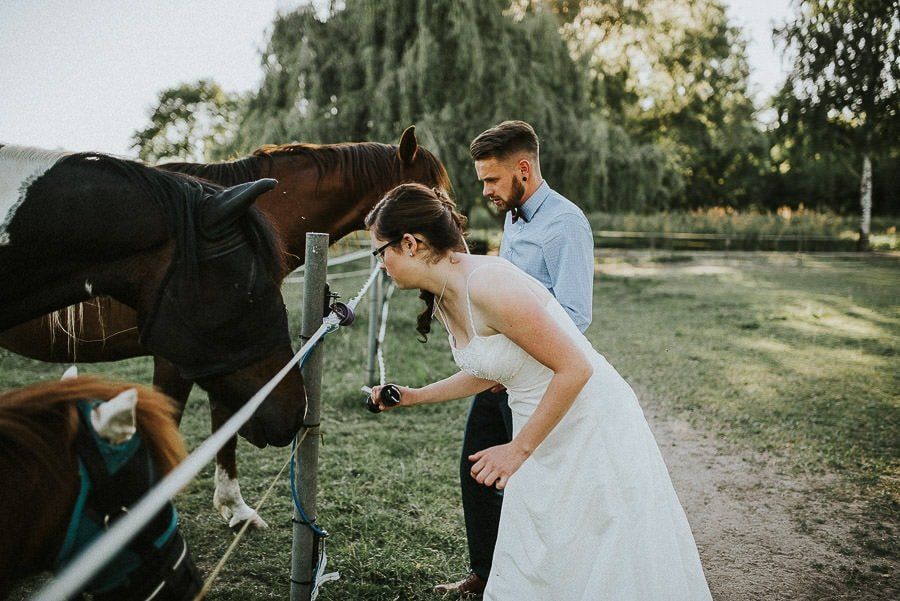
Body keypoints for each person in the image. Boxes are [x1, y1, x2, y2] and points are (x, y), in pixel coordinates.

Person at [365, 183, 712, 600]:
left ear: (409, 243)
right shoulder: (444, 296)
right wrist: (414, 395)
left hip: (586, 419)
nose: (380, 264)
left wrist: (517, 450)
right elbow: (491, 369)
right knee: (543, 548)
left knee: (598, 550)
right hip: (539, 421)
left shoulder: (488, 284)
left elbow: (575, 367)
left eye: (380, 252)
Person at [441, 120, 595, 597]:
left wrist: (515, 364)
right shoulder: (512, 216)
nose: (485, 190)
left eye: (491, 179)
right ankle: (485, 575)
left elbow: (575, 315)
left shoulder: (566, 224)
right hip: (498, 375)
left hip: (536, 381)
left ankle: (546, 582)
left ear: (523, 170)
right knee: (476, 469)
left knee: (534, 486)